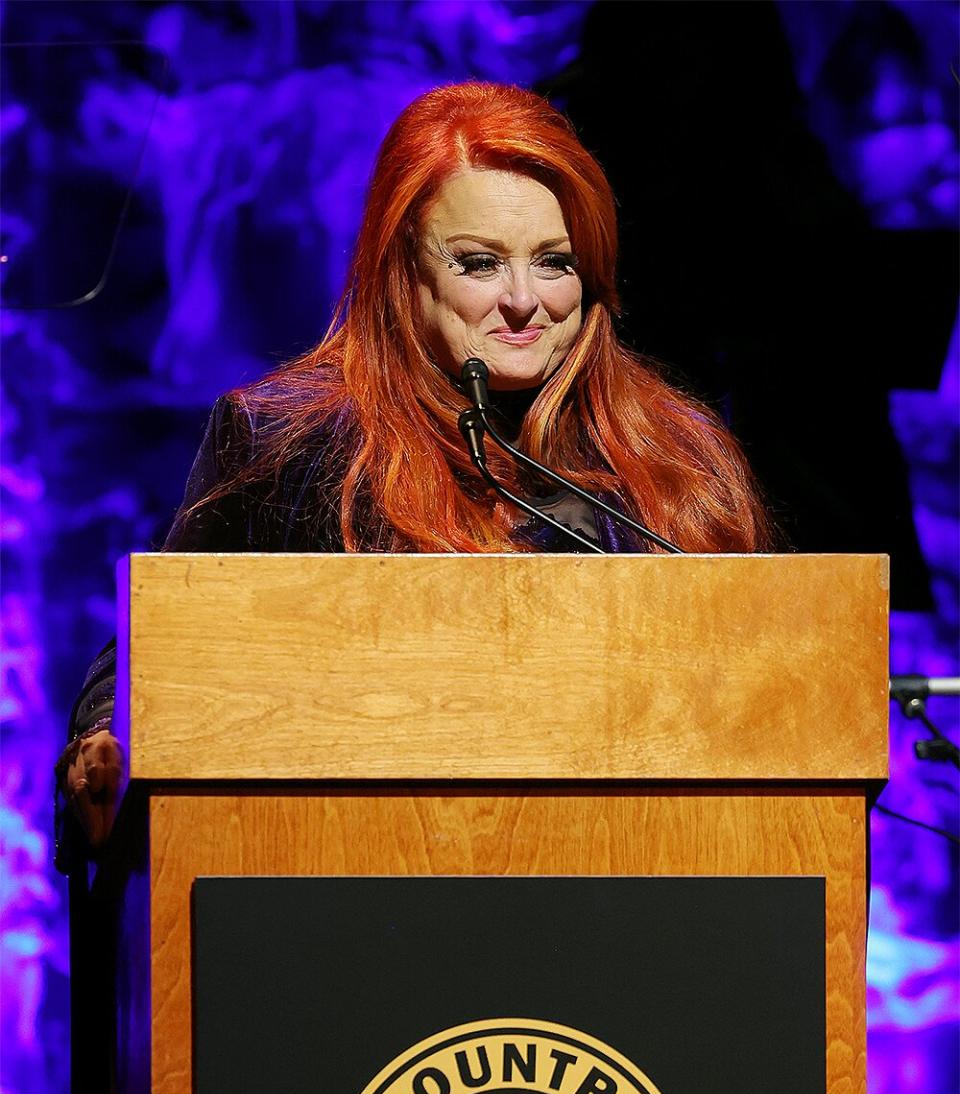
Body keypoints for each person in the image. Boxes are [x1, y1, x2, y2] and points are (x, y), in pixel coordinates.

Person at [57, 79, 774, 860]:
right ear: (403, 267)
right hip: (359, 891)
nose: (525, 301)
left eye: (555, 262)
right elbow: (158, 648)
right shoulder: (291, 443)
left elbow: (763, 693)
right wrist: (105, 743)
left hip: (643, 887)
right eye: (478, 264)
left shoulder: (676, 457)